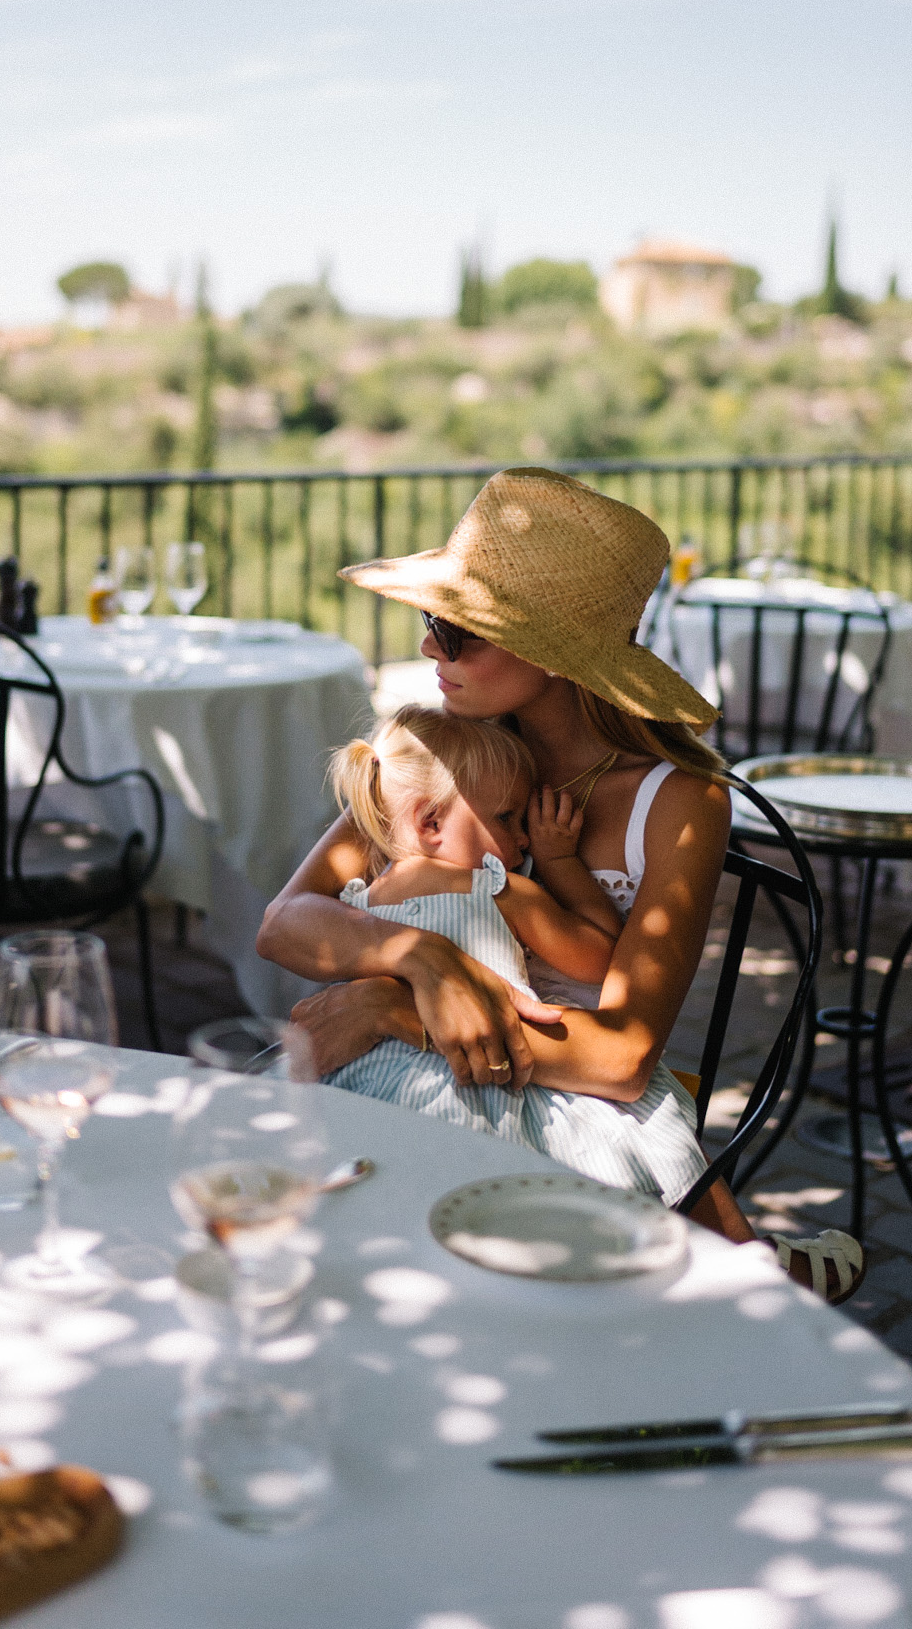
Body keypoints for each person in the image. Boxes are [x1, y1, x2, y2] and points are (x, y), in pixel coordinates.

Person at [258, 467, 864, 1304]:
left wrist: (391, 1009)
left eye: (455, 629)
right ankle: (757, 1259)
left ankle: (754, 1269)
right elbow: (286, 921)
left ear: (551, 652)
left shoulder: (679, 802)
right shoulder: (451, 758)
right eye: (435, 624)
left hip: (562, 1107)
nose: (431, 648)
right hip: (429, 1093)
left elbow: (620, 1057)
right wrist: (426, 960)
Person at [323, 704, 709, 1203]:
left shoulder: (358, 899)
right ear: (431, 821)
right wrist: (559, 861)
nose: (523, 839)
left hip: (370, 1080)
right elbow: (599, 956)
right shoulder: (497, 889)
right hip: (479, 1085)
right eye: (507, 818)